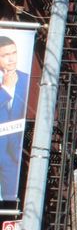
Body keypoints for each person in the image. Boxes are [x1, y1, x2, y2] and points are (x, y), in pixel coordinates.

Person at [0, 35, 29, 202]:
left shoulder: (26, 79)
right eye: (5, 55)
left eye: (14, 53)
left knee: (10, 204)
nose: (11, 59)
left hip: (14, 160)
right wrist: (6, 90)